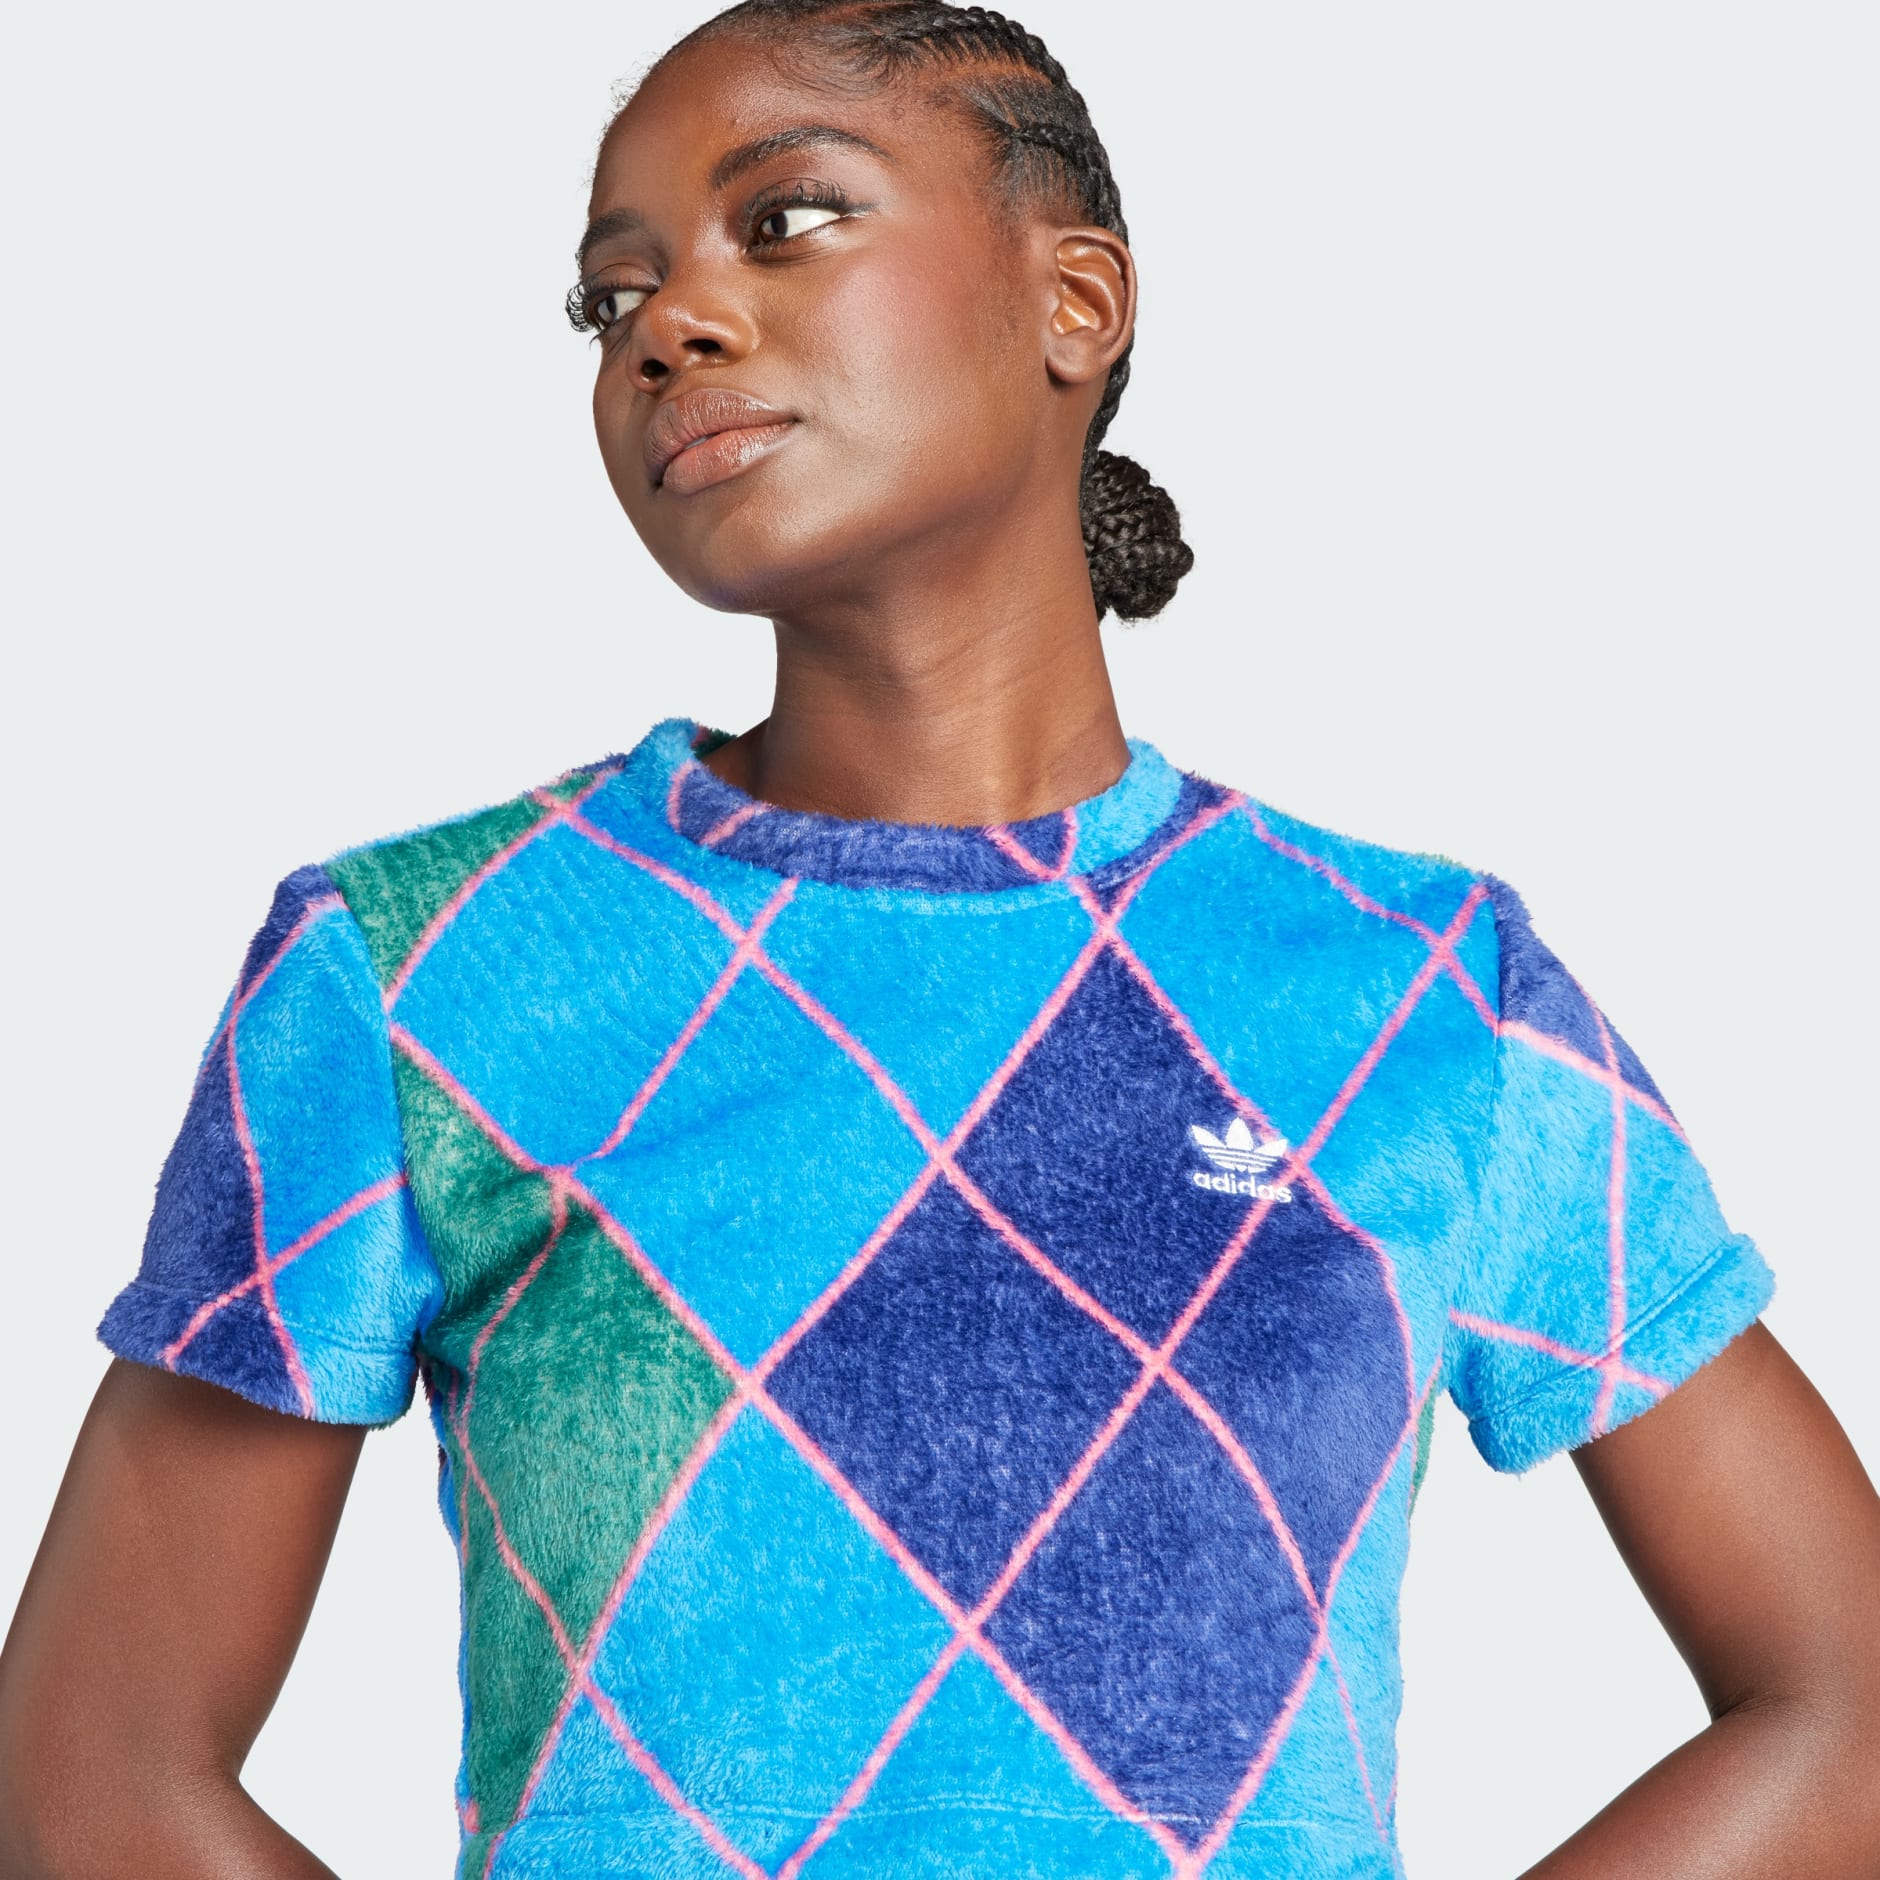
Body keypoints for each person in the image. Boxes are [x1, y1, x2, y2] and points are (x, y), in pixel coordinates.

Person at [2, 2, 1876, 1874]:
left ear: (1076, 300)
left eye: (787, 220)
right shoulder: (416, 972)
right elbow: (86, 1774)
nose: (668, 323)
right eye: (610, 297)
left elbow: (1844, 1708)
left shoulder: (1424, 990)